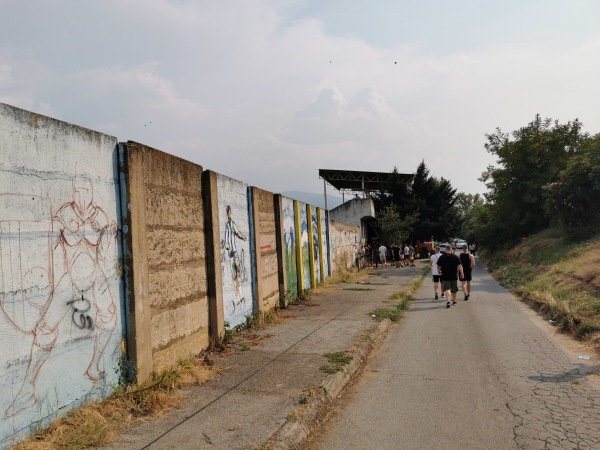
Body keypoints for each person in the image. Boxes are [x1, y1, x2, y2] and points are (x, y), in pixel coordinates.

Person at [437, 243, 464, 308]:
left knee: (447, 289)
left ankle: (448, 301)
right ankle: (454, 301)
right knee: (454, 289)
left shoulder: (442, 256)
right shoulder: (455, 257)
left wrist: (439, 270)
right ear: (451, 249)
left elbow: (438, 265)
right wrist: (462, 273)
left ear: (446, 249)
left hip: (445, 276)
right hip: (454, 275)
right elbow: (460, 266)